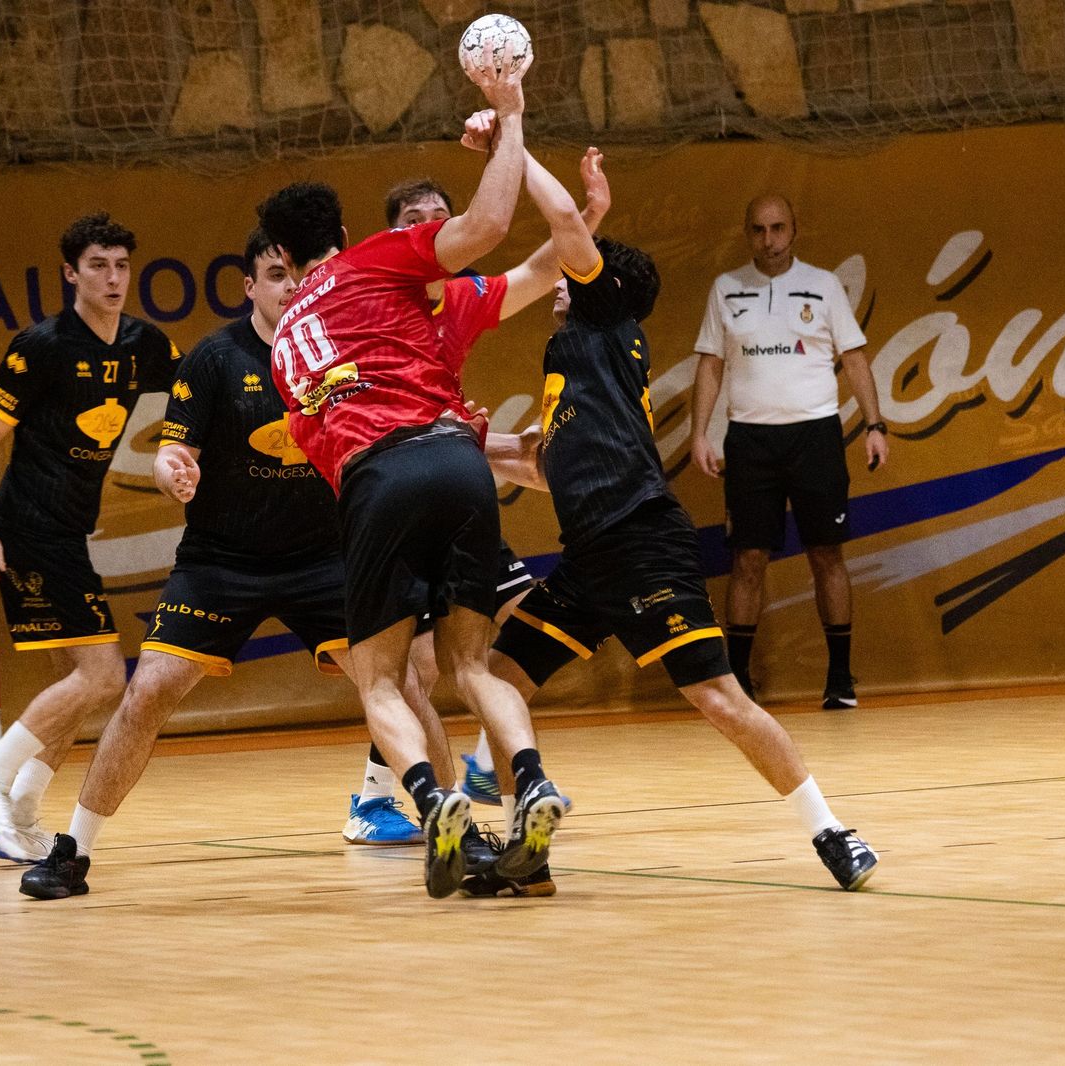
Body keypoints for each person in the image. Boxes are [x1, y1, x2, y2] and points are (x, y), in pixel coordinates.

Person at [19, 232, 471, 898]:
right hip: (221, 561)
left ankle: (459, 831)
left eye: (295, 274)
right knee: (146, 692)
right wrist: (174, 469)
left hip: (325, 557)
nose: (289, 286)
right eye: (274, 274)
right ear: (250, 286)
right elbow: (174, 450)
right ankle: (72, 850)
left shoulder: (338, 349)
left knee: (400, 685)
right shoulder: (214, 358)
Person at [478, 179, 879, 893]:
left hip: (640, 540)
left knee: (717, 698)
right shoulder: (572, 360)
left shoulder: (601, 325)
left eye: (576, 271)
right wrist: (469, 442)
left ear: (606, 288)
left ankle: (833, 832)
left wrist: (511, 117)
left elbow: (567, 227)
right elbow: (548, 466)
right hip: (591, 555)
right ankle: (525, 853)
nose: (561, 279)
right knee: (499, 675)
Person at [258, 50, 567, 900]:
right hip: (458, 462)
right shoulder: (380, 261)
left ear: (284, 256)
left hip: (377, 478)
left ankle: (433, 803)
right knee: (474, 664)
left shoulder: (283, 346)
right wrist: (509, 115)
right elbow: (490, 227)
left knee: (381, 677)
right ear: (347, 235)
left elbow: (325, 447)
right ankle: (531, 781)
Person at [376, 141, 610, 818]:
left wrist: (588, 212)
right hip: (380, 490)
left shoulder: (463, 296)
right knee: (401, 668)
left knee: (504, 639)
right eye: (418, 218)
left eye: (443, 217)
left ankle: (498, 784)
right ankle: (392, 799)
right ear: (393, 236)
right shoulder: (364, 294)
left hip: (444, 489)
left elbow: (541, 269)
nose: (434, 227)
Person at [0, 213, 180, 862]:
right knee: (104, 677)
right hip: (30, 528)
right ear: (70, 273)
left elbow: (194, 395)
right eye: (98, 265)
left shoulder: (144, 343)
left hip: (70, 534)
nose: (112, 278)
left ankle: (18, 814)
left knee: (72, 687)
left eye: (121, 265)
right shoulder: (42, 345)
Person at [688, 196, 888, 709]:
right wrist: (699, 433)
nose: (769, 239)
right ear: (746, 232)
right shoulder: (726, 288)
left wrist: (875, 424)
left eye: (778, 228)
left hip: (816, 436)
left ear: (794, 230)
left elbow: (855, 357)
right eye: (758, 230)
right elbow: (710, 365)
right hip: (751, 439)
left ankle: (840, 679)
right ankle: (739, 685)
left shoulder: (823, 286)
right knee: (748, 558)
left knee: (827, 554)